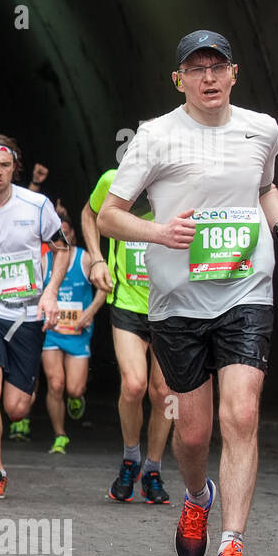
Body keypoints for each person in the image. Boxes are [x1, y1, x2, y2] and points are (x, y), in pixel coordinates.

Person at [97, 29, 278, 556]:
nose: (209, 78)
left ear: (234, 73)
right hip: (177, 305)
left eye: (218, 67)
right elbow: (109, 217)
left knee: (240, 415)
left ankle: (231, 548)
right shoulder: (156, 136)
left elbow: (265, 186)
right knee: (192, 437)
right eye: (197, 69)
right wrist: (160, 232)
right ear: (179, 80)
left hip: (247, 291)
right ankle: (197, 498)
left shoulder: (261, 128)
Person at [0, 132, 69, 500]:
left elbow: (62, 249)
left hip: (27, 312)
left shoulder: (36, 205)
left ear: (14, 168)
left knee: (16, 408)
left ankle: (27, 383)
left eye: (5, 165)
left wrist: (51, 292)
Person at [80, 170, 174, 503]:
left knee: (163, 392)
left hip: (171, 305)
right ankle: (130, 457)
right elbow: (89, 214)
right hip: (127, 302)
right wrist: (97, 260)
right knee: (134, 385)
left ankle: (153, 469)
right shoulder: (112, 179)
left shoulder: (182, 182)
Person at [40, 216, 107, 455]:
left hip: (77, 332)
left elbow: (105, 286)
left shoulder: (85, 258)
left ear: (74, 235)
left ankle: (77, 399)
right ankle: (60, 435)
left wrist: (90, 312)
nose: (63, 238)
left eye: (67, 233)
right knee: (55, 383)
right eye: (59, 235)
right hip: (52, 332)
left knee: (74, 389)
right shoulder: (44, 260)